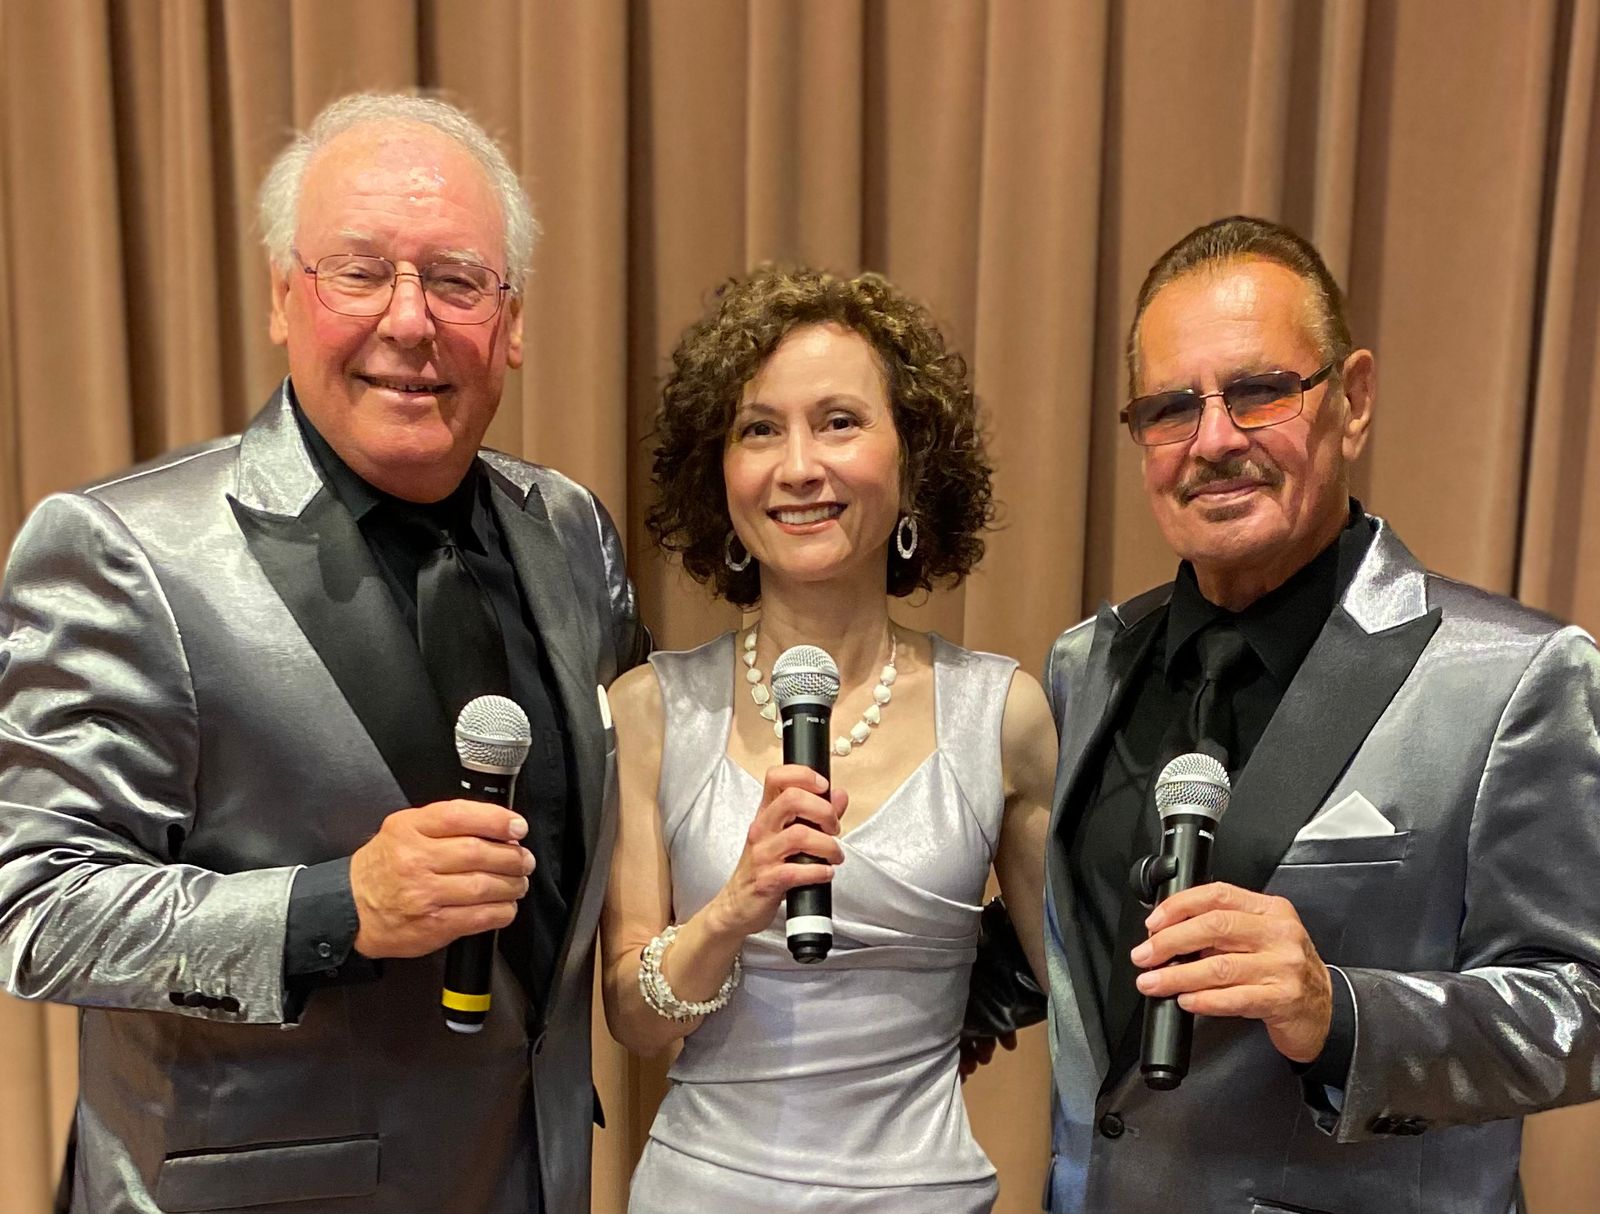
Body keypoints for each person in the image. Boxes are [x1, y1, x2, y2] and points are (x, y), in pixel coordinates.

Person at [0, 93, 645, 1214]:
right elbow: (36, 908)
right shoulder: (125, 549)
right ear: (281, 296)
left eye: (457, 281)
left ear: (512, 320)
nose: (411, 320)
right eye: (359, 272)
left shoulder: (571, 532)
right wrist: (335, 907)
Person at [1040, 215, 1600, 1213]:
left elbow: (1584, 1006)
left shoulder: (1516, 676)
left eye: (1259, 392)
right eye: (1172, 407)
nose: (1214, 440)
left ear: (1353, 399)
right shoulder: (1085, 665)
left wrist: (1339, 1011)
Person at [599, 265, 1057, 1213]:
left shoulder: (1003, 715)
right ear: (718, 474)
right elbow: (633, 1021)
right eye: (760, 429)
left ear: (913, 460)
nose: (800, 467)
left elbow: (1079, 988)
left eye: (839, 422)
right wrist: (730, 910)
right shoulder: (651, 710)